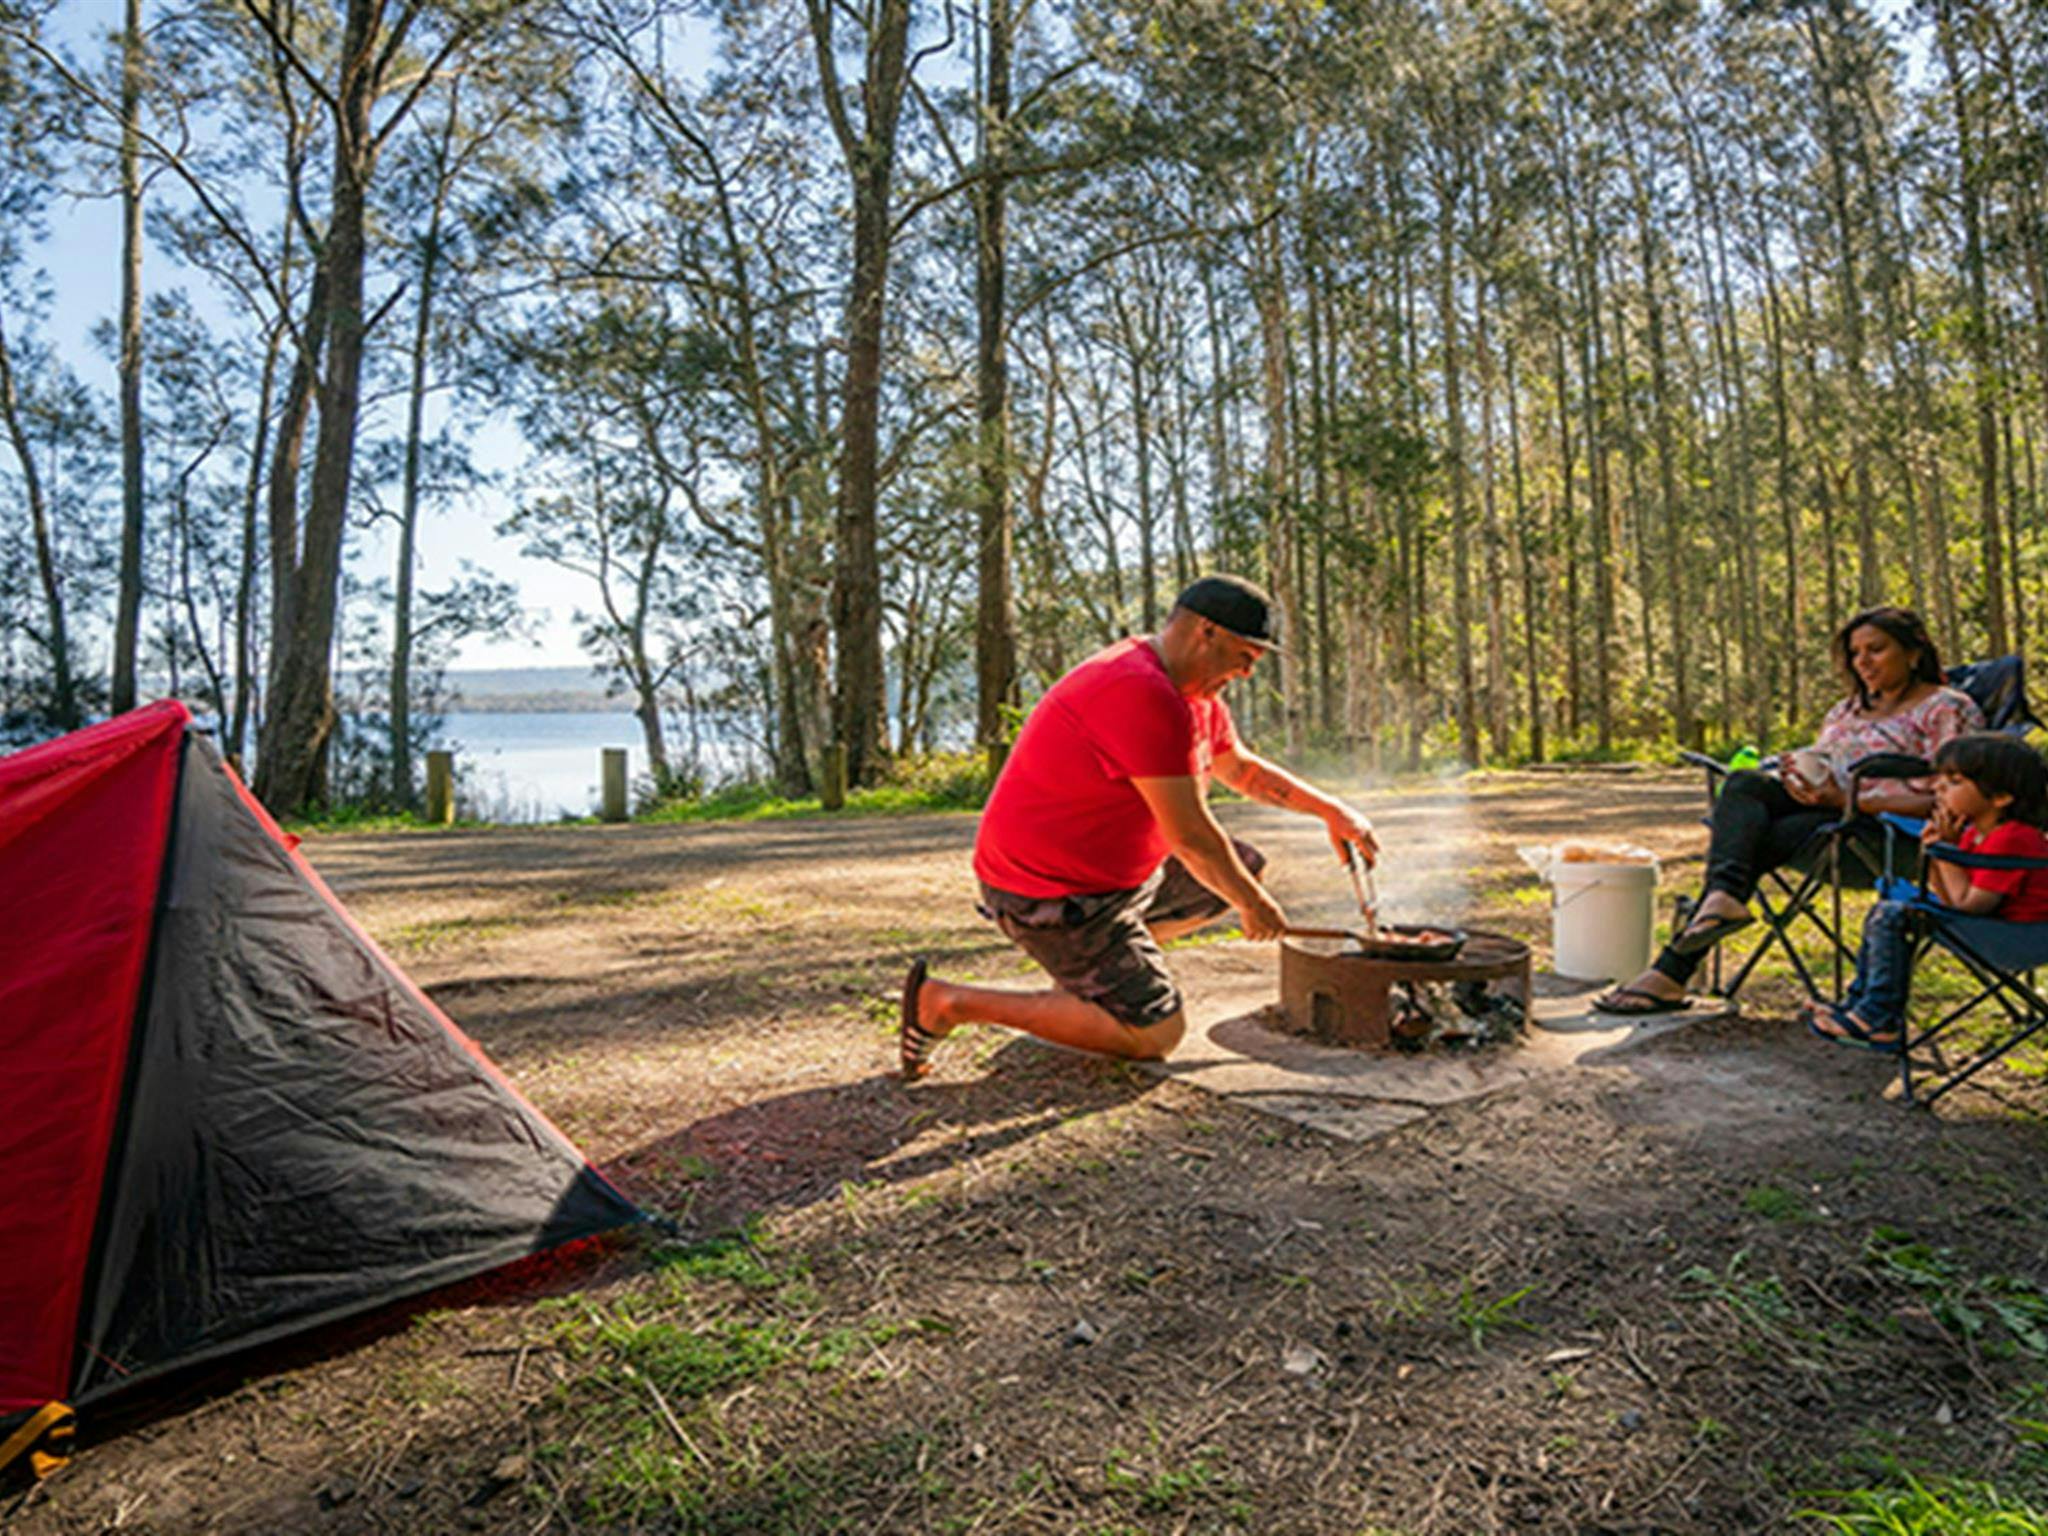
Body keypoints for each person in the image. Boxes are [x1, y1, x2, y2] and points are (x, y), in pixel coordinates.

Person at [897, 574, 1380, 1079]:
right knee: (1156, 1034)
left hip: (1118, 881)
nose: (1245, 673)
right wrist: (1254, 906)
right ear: (1205, 632)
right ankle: (946, 1002)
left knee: (1243, 867)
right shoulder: (1138, 691)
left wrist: (1331, 810)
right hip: (1053, 896)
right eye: (1246, 656)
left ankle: (1090, 982)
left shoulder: (1195, 695)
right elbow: (1191, 838)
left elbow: (1238, 768)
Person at [1595, 606, 1984, 1015]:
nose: (1863, 662)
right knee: (1746, 783)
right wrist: (1798, 776)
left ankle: (1675, 966)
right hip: (1828, 821)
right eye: (1855, 653)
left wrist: (1849, 800)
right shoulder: (1846, 709)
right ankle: (1717, 906)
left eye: (1876, 649)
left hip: (1896, 839)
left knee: (1763, 837)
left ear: (1913, 652)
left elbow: (1957, 799)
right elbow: (1824, 766)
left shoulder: (1947, 708)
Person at [1805, 733, 2048, 1052]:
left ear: (2001, 796)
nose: (1938, 788)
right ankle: (1860, 1005)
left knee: (1893, 915)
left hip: (2020, 938)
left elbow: (1970, 905)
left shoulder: (2013, 838)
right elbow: (1949, 896)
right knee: (1891, 904)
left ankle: (1878, 1018)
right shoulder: (1975, 832)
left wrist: (1944, 850)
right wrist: (1935, 852)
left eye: (1954, 781)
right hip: (1993, 926)